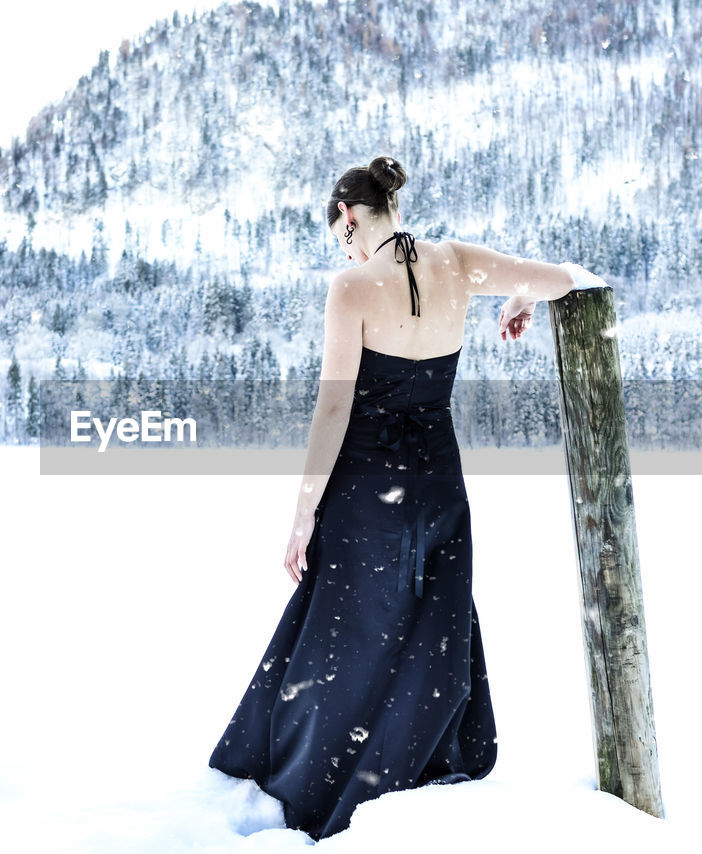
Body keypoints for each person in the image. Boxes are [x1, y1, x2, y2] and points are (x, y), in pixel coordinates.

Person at [208, 155, 603, 840]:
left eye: (342, 237)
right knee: (428, 621)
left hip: (366, 482)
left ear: (351, 216)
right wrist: (523, 295)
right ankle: (412, 766)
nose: (346, 249)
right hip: (437, 478)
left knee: (347, 632)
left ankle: (318, 786)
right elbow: (568, 277)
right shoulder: (460, 263)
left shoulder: (353, 287)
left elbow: (333, 411)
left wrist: (303, 512)